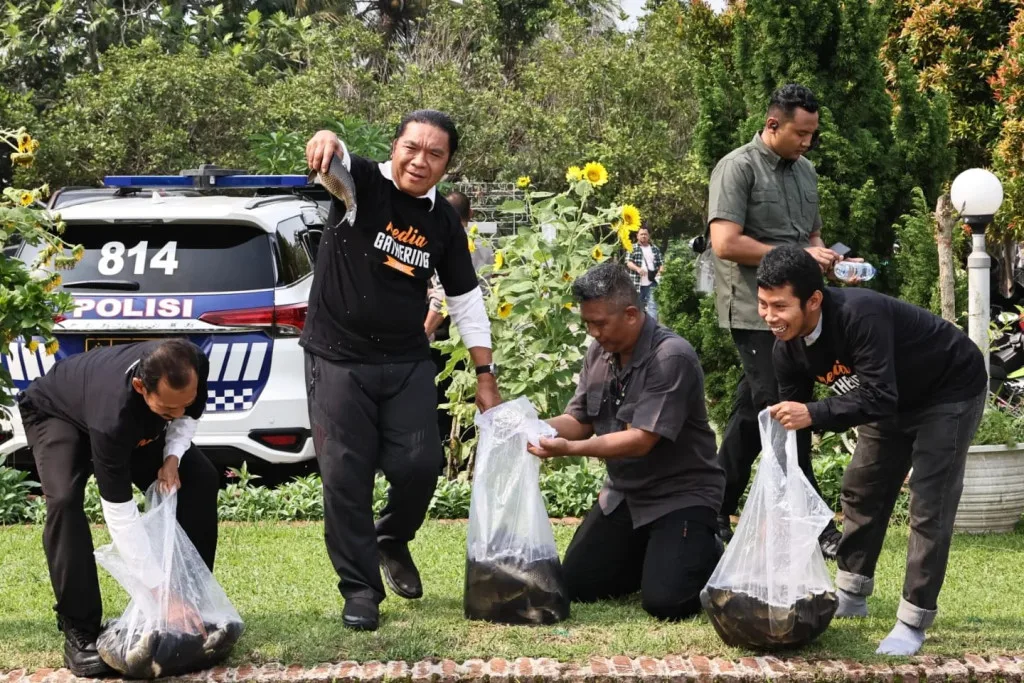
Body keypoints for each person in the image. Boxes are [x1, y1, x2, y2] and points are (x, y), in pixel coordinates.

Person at [303, 109, 502, 632]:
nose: (420, 161)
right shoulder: (364, 184)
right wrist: (327, 138)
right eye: (411, 148)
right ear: (394, 147)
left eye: (435, 154)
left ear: (447, 164)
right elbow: (335, 162)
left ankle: (391, 537)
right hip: (337, 357)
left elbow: (465, 300)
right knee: (345, 475)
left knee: (420, 464)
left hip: (405, 358)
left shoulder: (442, 223)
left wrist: (485, 374)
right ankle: (360, 589)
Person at [758, 245, 987, 656]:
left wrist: (814, 412)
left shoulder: (859, 316)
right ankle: (851, 593)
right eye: (763, 304)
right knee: (862, 488)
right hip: (889, 399)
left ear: (814, 300)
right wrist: (788, 490)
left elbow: (877, 396)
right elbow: (794, 434)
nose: (770, 317)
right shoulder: (786, 348)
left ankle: (913, 621)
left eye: (779, 306)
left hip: (948, 388)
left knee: (929, 504)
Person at [527, 262, 725, 621]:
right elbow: (579, 421)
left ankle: (706, 548)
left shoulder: (670, 356)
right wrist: (529, 427)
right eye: (587, 323)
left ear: (631, 314)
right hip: (626, 495)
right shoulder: (598, 352)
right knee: (577, 584)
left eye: (600, 323)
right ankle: (658, 554)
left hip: (680, 495)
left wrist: (569, 450)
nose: (593, 332)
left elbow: (641, 440)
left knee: (666, 602)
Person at [15, 339, 218, 677]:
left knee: (200, 479)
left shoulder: (190, 363)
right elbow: (121, 513)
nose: (178, 415)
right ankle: (80, 631)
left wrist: (172, 457)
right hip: (56, 412)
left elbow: (186, 414)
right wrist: (158, 591)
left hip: (122, 411)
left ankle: (189, 607)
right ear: (140, 387)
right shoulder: (113, 418)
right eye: (169, 411)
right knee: (64, 502)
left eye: (185, 404)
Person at [706, 82, 843, 556]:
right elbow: (725, 243)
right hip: (755, 312)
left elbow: (812, 235)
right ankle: (815, 525)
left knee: (753, 412)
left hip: (797, 313)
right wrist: (798, 254)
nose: (808, 142)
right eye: (800, 133)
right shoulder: (737, 167)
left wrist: (825, 260)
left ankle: (712, 507)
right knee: (788, 412)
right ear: (772, 124)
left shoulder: (806, 171)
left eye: (812, 134)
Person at [626, 225, 664, 321]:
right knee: (637, 307)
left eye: (645, 234)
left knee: (653, 307)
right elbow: (628, 262)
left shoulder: (654, 248)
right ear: (637, 236)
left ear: (649, 236)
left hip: (652, 282)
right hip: (637, 283)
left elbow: (661, 263)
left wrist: (660, 272)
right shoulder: (632, 248)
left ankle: (652, 328)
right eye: (641, 234)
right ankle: (638, 327)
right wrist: (638, 269)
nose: (643, 236)